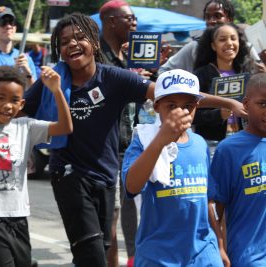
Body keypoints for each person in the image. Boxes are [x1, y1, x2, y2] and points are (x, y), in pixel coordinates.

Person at [0, 13, 246, 266]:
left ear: (94, 43)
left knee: (102, 247)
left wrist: (228, 103)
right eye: (64, 41)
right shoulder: (52, 81)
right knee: (91, 253)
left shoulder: (114, 78)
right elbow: (15, 108)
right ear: (58, 50)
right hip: (69, 174)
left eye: (80, 38)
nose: (72, 44)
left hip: (106, 176)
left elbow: (170, 95)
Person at [0, 65, 72, 266]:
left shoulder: (26, 126)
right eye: (1, 98)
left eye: (14, 100)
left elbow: (65, 127)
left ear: (22, 103)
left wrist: (56, 90)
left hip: (19, 217)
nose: (8, 105)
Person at [122, 69, 224, 266]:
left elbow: (207, 199)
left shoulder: (200, 144)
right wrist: (161, 140)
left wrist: (219, 243)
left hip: (203, 252)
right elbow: (131, 187)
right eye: (172, 105)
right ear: (157, 106)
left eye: (188, 106)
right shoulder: (144, 141)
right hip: (159, 256)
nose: (181, 112)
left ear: (197, 106)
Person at [98, 1, 141, 266]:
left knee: (131, 209)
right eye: (130, 18)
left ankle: (133, 259)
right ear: (112, 22)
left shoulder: (127, 58)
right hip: (105, 148)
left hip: (129, 145)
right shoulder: (96, 59)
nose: (135, 23)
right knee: (111, 215)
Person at [208, 73, 266, 267]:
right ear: (246, 104)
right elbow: (215, 208)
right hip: (247, 258)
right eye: (263, 104)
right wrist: (219, 248)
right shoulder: (229, 150)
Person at [159, 0, 266, 74]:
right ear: (213, 46)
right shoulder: (194, 47)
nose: (211, 21)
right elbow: (164, 71)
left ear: (229, 19)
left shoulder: (247, 47)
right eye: (208, 17)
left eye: (217, 16)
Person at [193, 23, 255, 141]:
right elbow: (190, 112)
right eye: (222, 39)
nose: (229, 43)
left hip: (243, 139)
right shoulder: (201, 75)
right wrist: (218, 115)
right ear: (213, 46)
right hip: (211, 142)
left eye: (233, 38)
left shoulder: (247, 73)